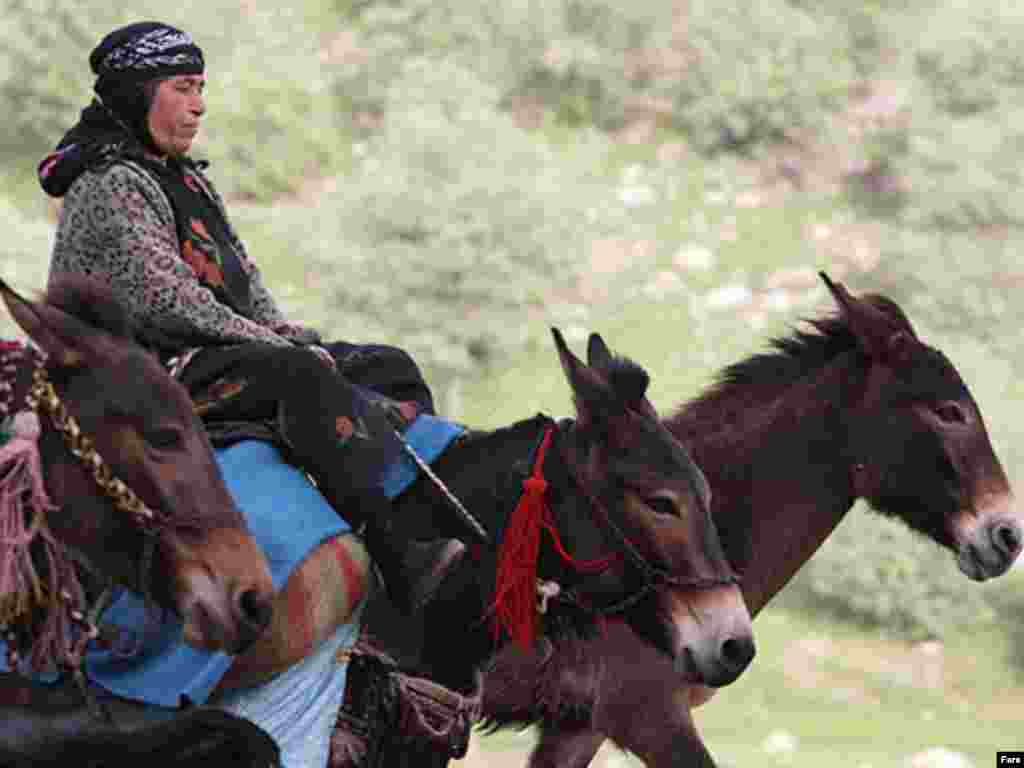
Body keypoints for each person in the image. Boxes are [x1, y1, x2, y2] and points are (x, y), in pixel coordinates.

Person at [39, 21, 464, 615]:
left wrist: (290, 334)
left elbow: (244, 281)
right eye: (183, 88)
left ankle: (421, 510)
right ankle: (398, 557)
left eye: (201, 88)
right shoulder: (108, 182)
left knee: (384, 364)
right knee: (299, 375)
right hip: (142, 383)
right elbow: (167, 302)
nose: (198, 106)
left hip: (210, 355)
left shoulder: (180, 177)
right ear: (138, 92)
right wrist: (281, 349)